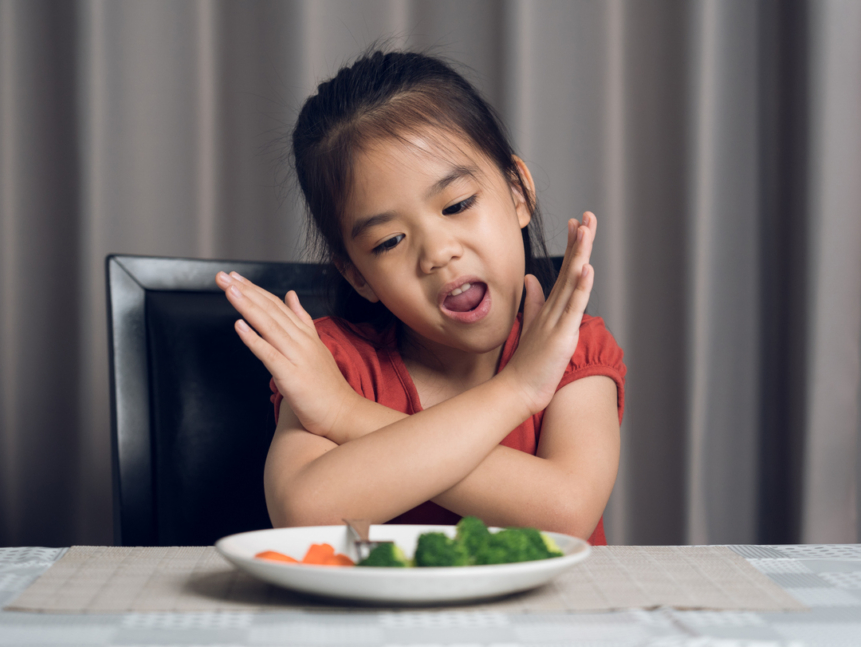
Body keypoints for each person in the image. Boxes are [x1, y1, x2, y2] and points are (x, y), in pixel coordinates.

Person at [215, 50, 625, 545]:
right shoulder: (331, 364)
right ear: (358, 276)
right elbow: (304, 514)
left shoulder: (571, 348)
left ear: (518, 192)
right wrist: (515, 391)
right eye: (388, 242)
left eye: (456, 205)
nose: (437, 253)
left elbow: (566, 513)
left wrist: (348, 416)